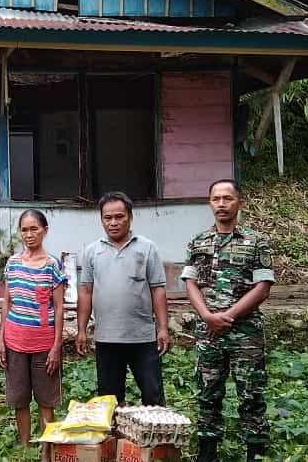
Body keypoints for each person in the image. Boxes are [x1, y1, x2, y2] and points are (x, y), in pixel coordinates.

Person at [181, 179, 274, 462]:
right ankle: (207, 453)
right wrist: (208, 316)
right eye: (216, 199)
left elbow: (263, 286)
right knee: (207, 394)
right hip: (209, 333)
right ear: (210, 203)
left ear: (239, 203)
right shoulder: (198, 241)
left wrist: (229, 315)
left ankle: (255, 453)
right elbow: (190, 282)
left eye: (228, 198)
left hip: (245, 333)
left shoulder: (256, 241)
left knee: (251, 395)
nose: (221, 204)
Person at [76, 191, 169, 406]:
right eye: (108, 218)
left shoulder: (147, 248)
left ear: (130, 217)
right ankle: (115, 439)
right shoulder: (92, 251)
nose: (114, 223)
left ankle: (155, 438)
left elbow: (158, 289)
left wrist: (162, 328)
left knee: (153, 396)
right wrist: (81, 330)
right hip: (106, 339)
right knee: (109, 401)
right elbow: (86, 292)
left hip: (143, 338)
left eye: (119, 217)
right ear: (101, 220)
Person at [0, 209, 67, 458]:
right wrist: (1, 341)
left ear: (45, 230)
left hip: (44, 342)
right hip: (15, 340)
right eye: (24, 230)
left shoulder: (52, 264)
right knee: (20, 397)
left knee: (46, 399)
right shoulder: (13, 263)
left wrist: (57, 346)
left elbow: (59, 308)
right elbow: (7, 304)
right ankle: (26, 447)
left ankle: (46, 452)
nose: (29, 234)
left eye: (34, 229)